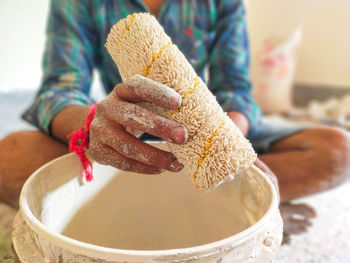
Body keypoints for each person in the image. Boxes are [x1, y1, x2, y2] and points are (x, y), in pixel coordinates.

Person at [1, 0, 349, 237]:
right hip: (129, 131)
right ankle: (227, 211)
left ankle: (242, 206)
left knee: (338, 151)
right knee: (9, 157)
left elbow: (236, 89)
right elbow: (58, 91)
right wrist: (93, 124)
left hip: (215, 128)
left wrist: (224, 145)